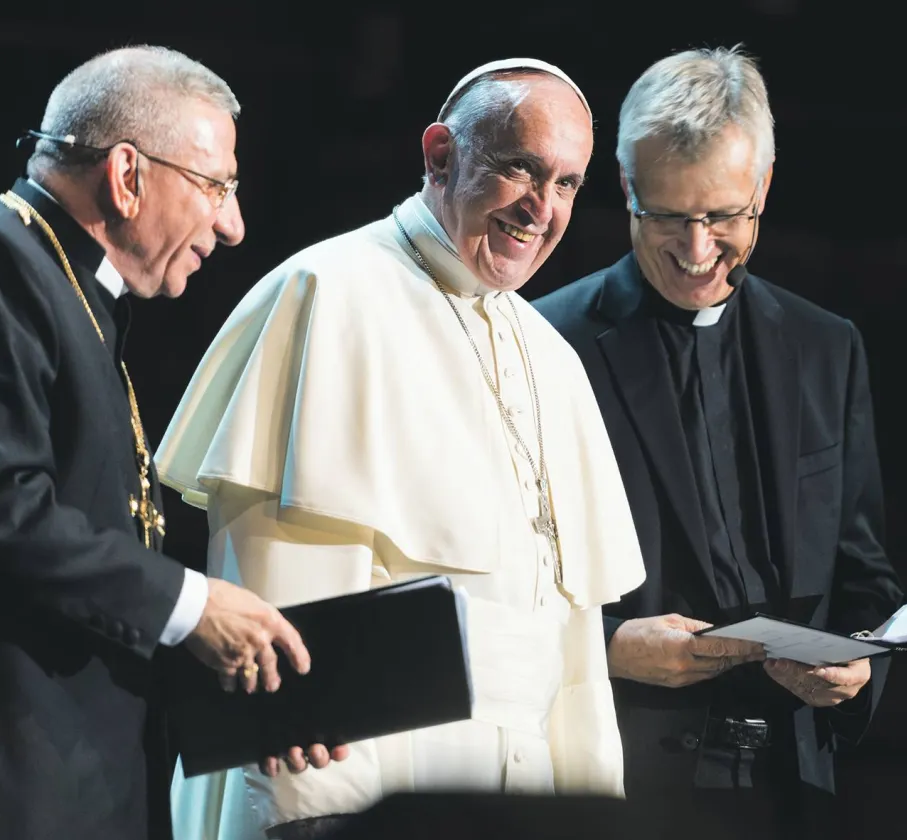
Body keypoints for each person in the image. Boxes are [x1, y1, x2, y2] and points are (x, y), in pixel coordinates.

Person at [154, 58, 647, 840]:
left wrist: (590, 812)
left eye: (566, 185)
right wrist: (310, 821)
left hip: (512, 803)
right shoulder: (330, 293)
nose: (540, 209)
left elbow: (573, 649)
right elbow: (289, 603)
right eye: (520, 170)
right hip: (374, 799)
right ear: (442, 156)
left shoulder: (551, 356)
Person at [534, 46, 906, 838]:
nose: (698, 250)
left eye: (725, 217)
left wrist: (860, 664)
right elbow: (499, 598)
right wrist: (607, 648)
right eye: (668, 216)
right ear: (628, 188)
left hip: (797, 786)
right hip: (619, 786)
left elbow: (863, 573)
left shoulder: (826, 346)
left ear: (763, 188)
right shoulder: (545, 344)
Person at [0, 46, 326, 840]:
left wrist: (255, 702)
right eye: (216, 186)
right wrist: (193, 607)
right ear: (128, 174)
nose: (232, 225)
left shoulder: (71, 287)